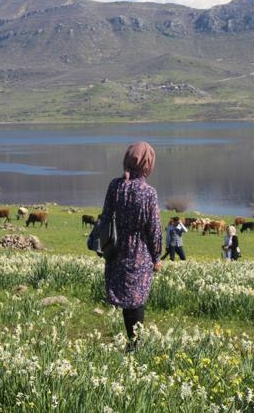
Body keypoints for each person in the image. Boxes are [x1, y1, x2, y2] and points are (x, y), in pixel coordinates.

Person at [102, 142, 162, 350]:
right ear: (148, 164)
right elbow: (154, 229)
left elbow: (106, 217)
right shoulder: (148, 193)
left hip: (117, 250)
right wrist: (157, 257)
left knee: (128, 300)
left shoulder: (115, 186)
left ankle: (131, 341)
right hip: (139, 251)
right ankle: (135, 344)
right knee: (137, 300)